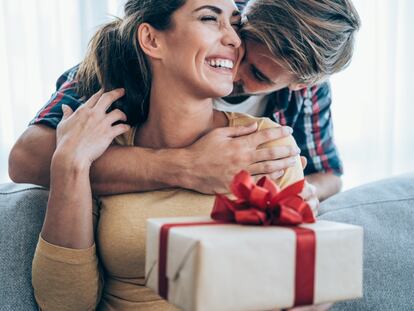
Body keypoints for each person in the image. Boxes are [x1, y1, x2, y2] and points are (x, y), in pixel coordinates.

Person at [31, 0, 314, 310]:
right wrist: (70, 163)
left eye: (235, 24)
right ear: (152, 40)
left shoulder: (267, 145)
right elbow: (64, 304)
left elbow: (299, 291)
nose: (235, 39)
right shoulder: (101, 149)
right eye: (209, 18)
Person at [8, 0, 361, 204]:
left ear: (300, 85)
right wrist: (184, 166)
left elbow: (329, 171)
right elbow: (28, 158)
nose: (233, 66)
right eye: (241, 36)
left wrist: (303, 192)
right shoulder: (147, 49)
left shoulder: (305, 90)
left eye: (258, 76)